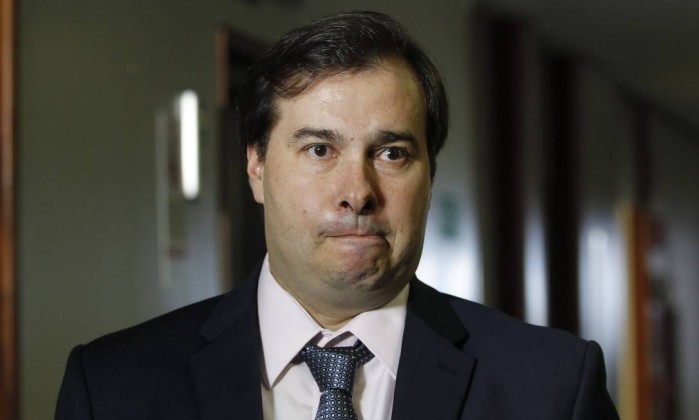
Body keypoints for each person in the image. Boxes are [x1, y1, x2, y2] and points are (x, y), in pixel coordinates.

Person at [56, 10, 619, 420]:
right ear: (256, 166)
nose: (357, 193)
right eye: (320, 149)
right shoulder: (111, 388)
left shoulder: (552, 388)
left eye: (391, 153)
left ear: (430, 176)